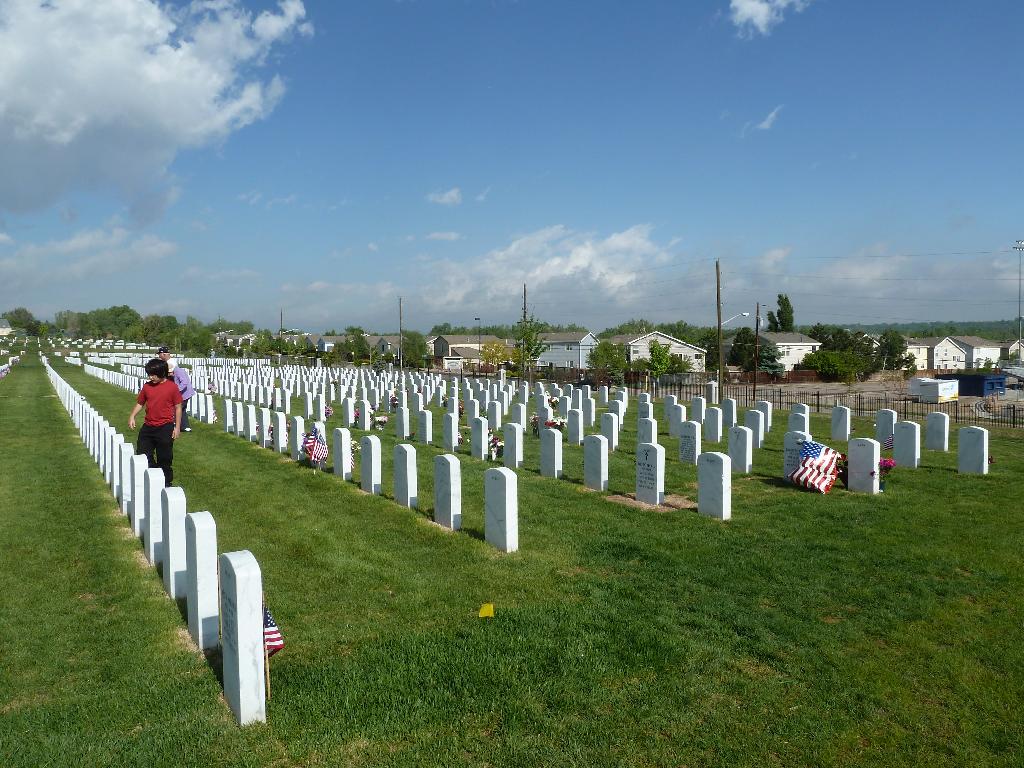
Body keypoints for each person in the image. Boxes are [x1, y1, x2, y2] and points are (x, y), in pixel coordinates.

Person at [129, 358, 182, 486]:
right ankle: (153, 476)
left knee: (165, 457)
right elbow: (140, 403)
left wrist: (177, 427)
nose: (150, 377)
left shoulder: (172, 387)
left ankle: (166, 482)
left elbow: (178, 407)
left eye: (153, 374)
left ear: (161, 372)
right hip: (148, 426)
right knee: (143, 452)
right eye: (149, 374)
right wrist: (132, 416)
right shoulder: (147, 386)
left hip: (165, 426)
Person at [158, 345, 196, 431]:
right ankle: (186, 427)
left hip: (185, 393)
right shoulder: (173, 370)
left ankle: (174, 425)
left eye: (169, 372)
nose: (168, 374)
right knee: (182, 409)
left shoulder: (177, 370)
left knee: (176, 408)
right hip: (183, 393)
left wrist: (176, 390)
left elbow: (184, 382)